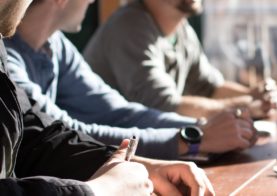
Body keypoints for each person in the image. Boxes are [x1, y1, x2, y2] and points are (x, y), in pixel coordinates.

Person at [0, 0, 214, 195]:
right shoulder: (130, 24)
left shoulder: (53, 45)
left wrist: (130, 166)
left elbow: (36, 136)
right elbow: (159, 101)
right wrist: (99, 189)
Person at [5, 0, 257, 160]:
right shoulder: (8, 62)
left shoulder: (55, 44)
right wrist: (192, 139)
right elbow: (66, 136)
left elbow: (116, 111)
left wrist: (200, 126)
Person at [83, 0, 277, 119]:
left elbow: (209, 87)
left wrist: (256, 94)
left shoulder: (181, 29)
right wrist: (246, 105)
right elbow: (163, 106)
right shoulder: (129, 26)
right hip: (107, 154)